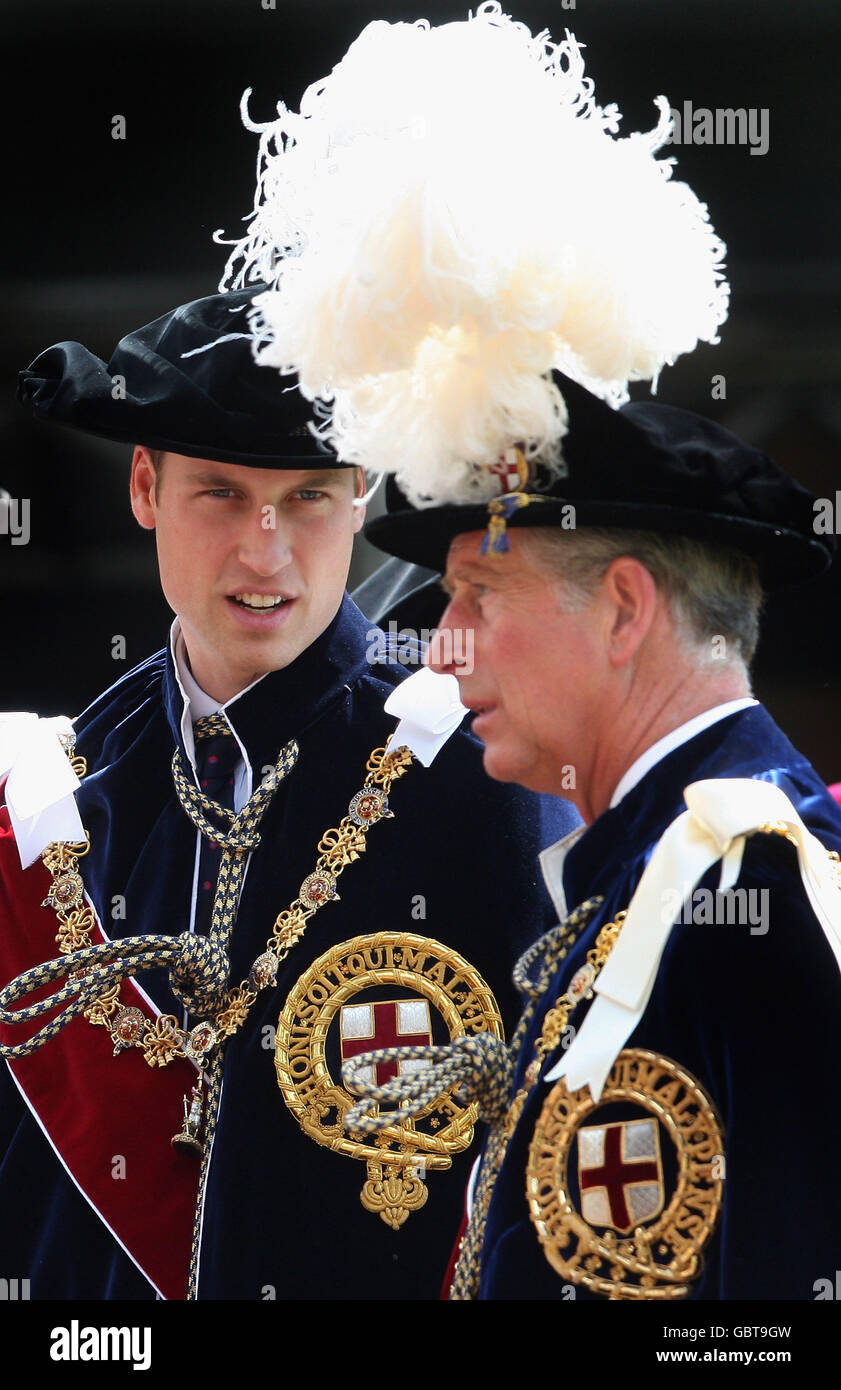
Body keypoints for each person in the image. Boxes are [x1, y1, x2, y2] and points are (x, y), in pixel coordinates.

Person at [0, 287, 577, 1301]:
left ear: (363, 492)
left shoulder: (487, 772)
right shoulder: (55, 792)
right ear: (143, 485)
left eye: (308, 496)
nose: (264, 552)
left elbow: (567, 1151)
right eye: (219, 494)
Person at [349, 372, 841, 1300]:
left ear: (623, 609)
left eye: (479, 594)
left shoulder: (751, 883)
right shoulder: (661, 868)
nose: (441, 645)